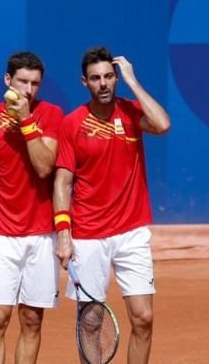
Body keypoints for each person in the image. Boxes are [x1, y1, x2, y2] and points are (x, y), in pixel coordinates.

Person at [53, 46, 170, 364]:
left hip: (132, 233)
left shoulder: (132, 113)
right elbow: (62, 182)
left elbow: (162, 124)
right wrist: (63, 232)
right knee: (91, 322)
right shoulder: (72, 123)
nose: (103, 83)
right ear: (84, 82)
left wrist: (132, 81)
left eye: (108, 76)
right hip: (89, 235)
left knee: (144, 319)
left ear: (115, 77)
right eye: (95, 78)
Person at [0, 52, 64, 363]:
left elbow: (45, 167)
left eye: (35, 84)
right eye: (22, 82)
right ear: (8, 81)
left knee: (32, 321)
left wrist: (25, 120)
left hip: (42, 236)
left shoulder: (52, 115)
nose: (28, 90)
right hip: (3, 238)